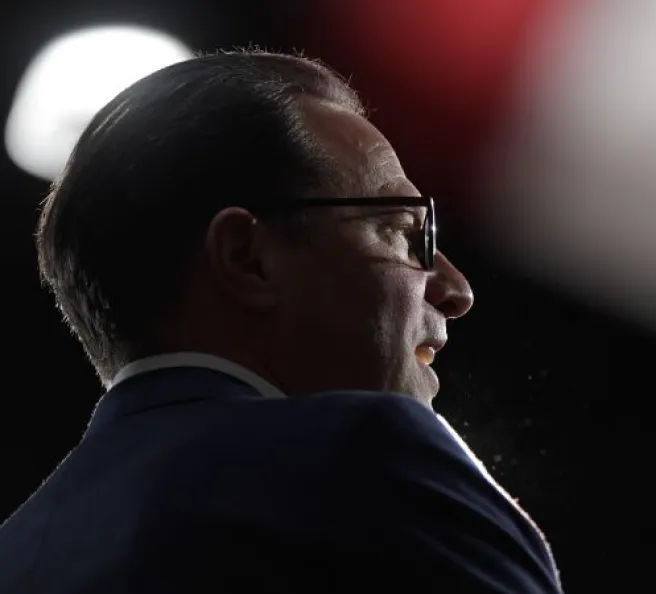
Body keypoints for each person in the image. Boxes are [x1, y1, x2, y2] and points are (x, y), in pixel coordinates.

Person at [0, 50, 561, 593]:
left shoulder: (17, 552)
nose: (456, 290)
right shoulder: (366, 467)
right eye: (399, 231)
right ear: (247, 258)